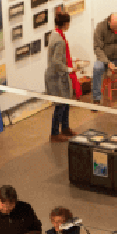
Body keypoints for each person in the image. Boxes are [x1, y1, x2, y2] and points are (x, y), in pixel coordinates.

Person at [45, 11, 80, 142]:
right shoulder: (60, 40)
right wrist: (70, 69)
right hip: (57, 77)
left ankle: (65, 128)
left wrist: (71, 59)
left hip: (57, 75)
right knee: (60, 105)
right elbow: (56, 61)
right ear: (65, 24)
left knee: (66, 102)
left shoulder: (54, 34)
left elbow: (59, 56)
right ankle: (54, 133)